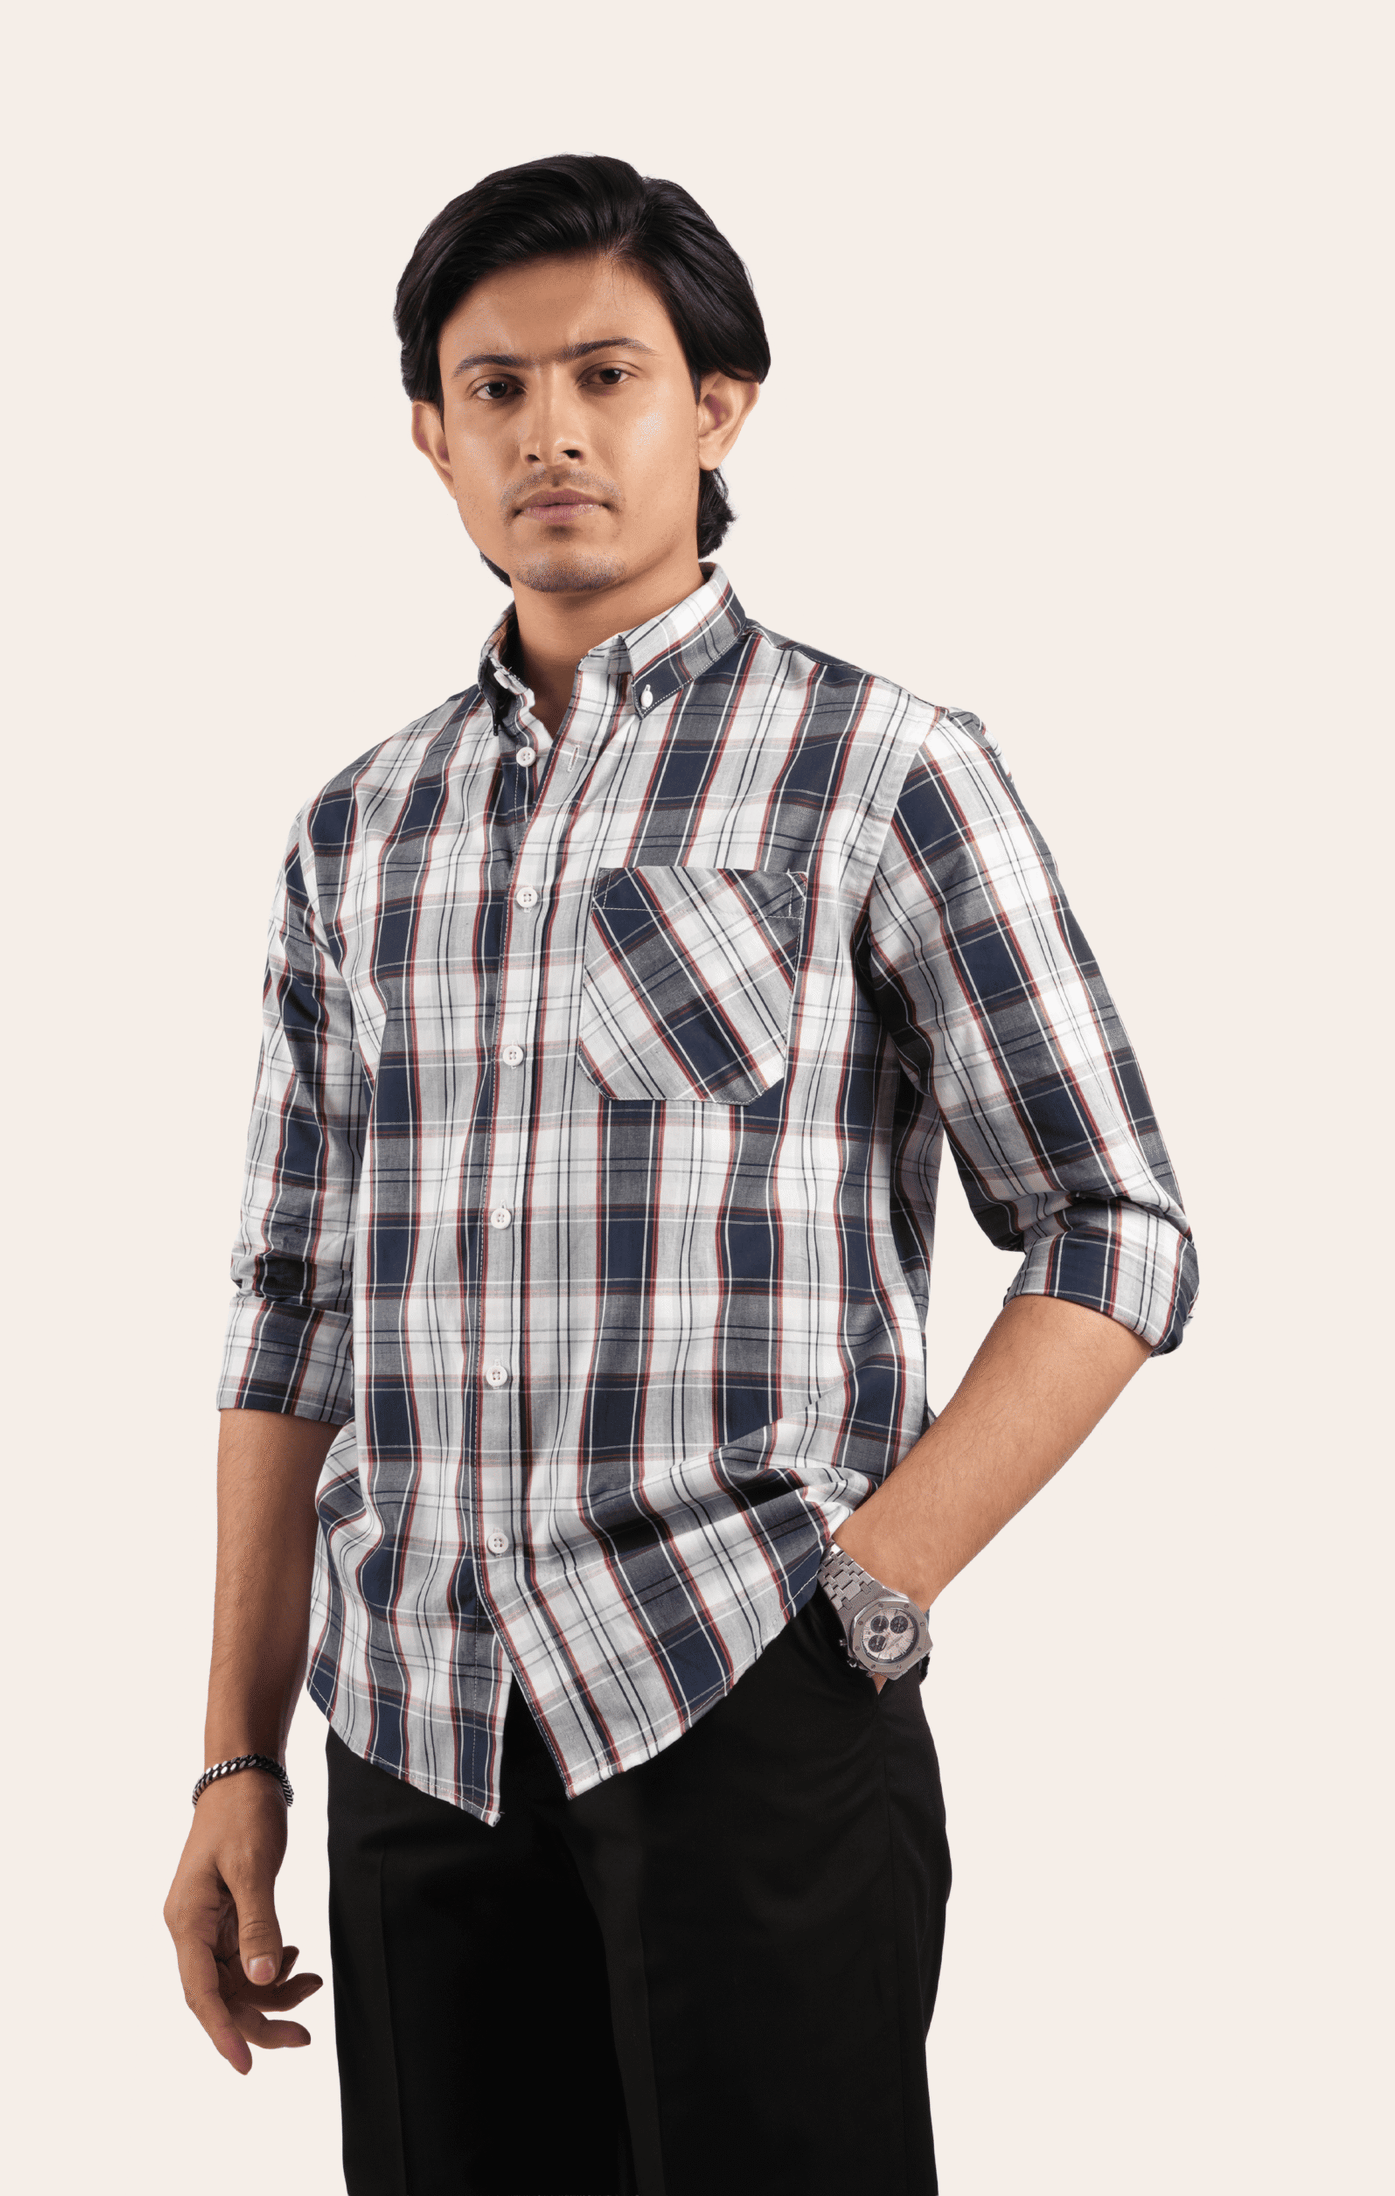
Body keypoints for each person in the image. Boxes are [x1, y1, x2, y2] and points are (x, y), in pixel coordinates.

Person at [164, 154, 1198, 2196]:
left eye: (605, 374)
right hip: (414, 1724)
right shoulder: (354, 835)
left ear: (717, 406)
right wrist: (233, 1757)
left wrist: (866, 1590)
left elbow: (1116, 1225)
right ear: (429, 434)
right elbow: (289, 1316)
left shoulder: (879, 767)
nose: (548, 430)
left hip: (740, 1686)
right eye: (493, 388)